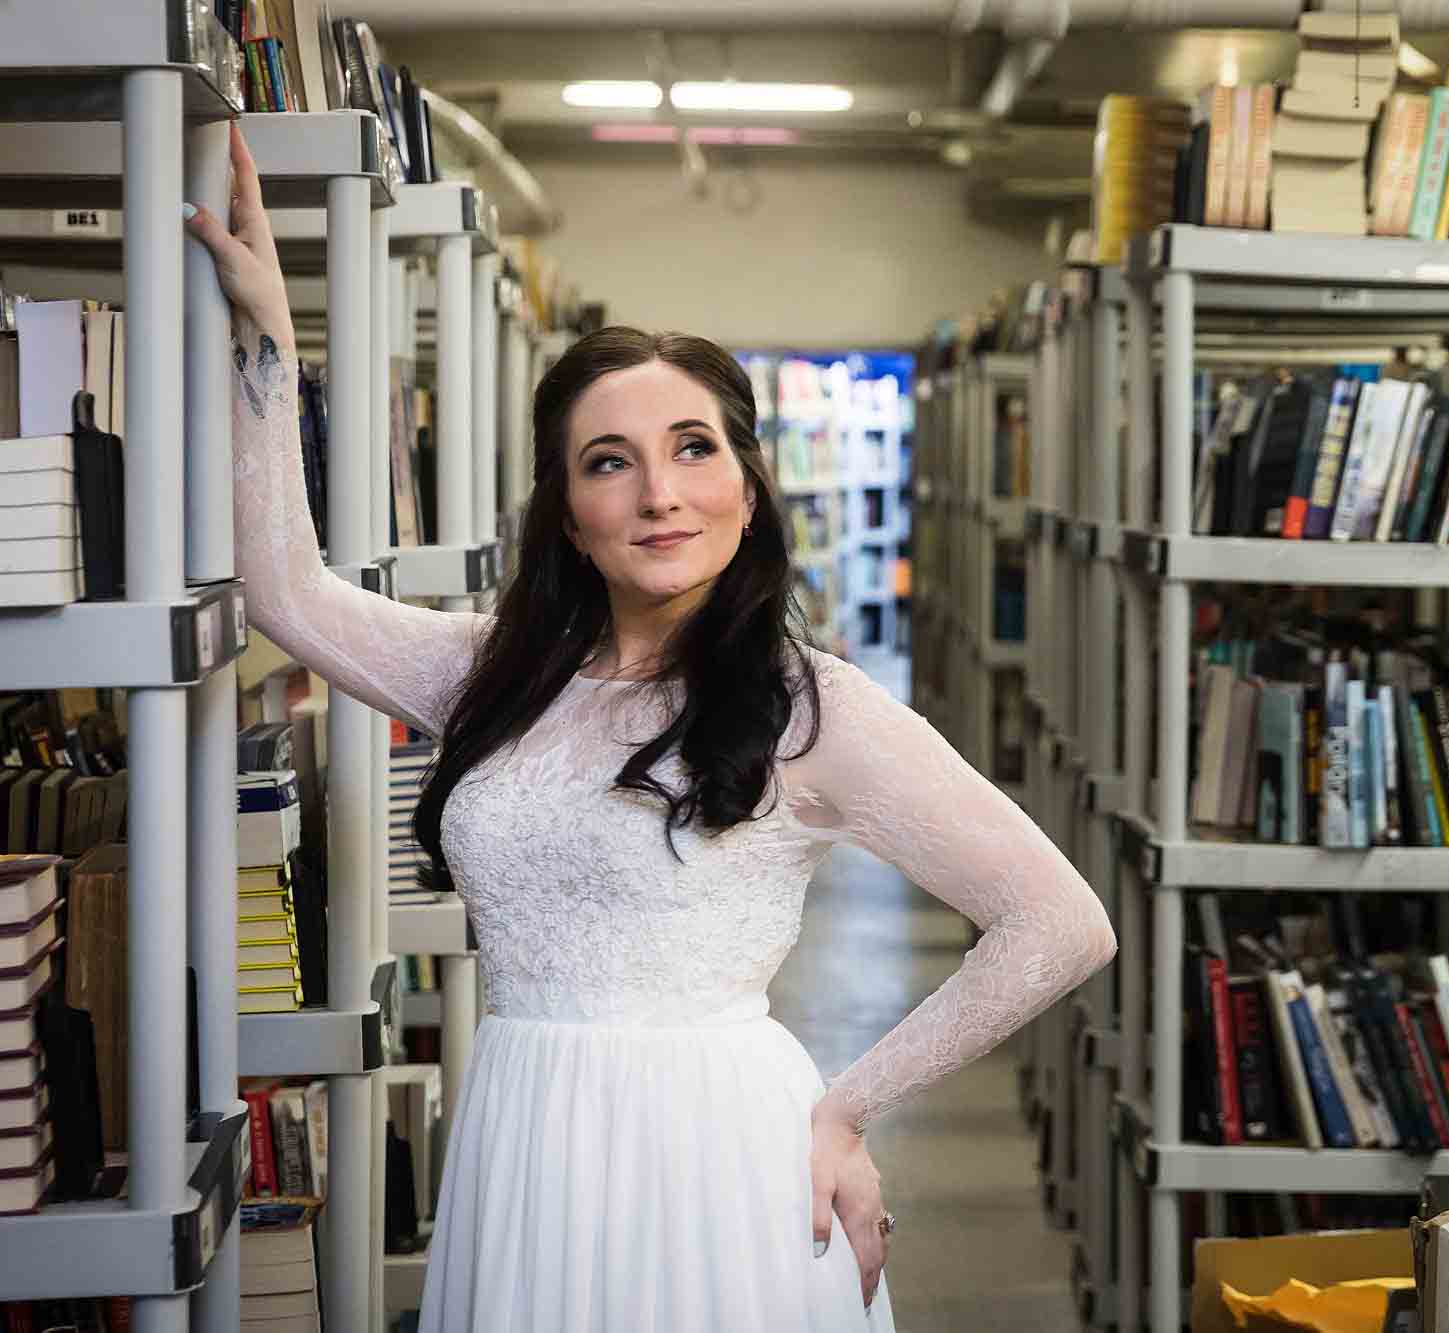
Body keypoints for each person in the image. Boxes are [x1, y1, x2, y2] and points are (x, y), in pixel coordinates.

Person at [187, 122, 1116, 1332]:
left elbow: (1060, 921)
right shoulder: (493, 671)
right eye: (608, 463)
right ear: (569, 516)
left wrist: (848, 1108)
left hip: (720, 1155)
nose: (659, 492)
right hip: (522, 1130)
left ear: (747, 482)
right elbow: (287, 595)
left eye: (692, 449)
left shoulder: (810, 707)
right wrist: (265, 340)